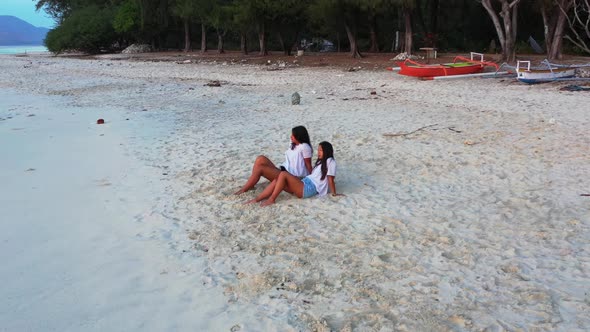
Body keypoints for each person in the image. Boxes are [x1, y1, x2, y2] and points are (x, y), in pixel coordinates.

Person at [245, 141, 343, 206]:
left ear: (327, 151)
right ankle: (257, 199)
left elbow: (330, 179)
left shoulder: (331, 161)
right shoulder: (321, 162)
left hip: (309, 189)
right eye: (318, 150)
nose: (319, 152)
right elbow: (314, 176)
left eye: (321, 150)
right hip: (304, 183)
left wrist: (334, 193)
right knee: (277, 179)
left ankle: (272, 199)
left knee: (283, 174)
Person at [234, 126, 312, 195]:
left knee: (260, 168)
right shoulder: (293, 143)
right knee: (260, 159)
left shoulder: (305, 147)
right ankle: (250, 185)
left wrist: (311, 179)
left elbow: (308, 164)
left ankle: (244, 189)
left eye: (293, 135)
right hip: (284, 170)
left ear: (299, 137)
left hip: (292, 176)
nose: (291, 136)